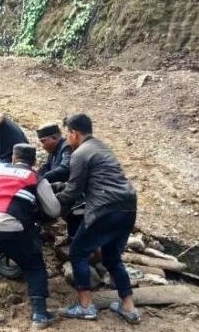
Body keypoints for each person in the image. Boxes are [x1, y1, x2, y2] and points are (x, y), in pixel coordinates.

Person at [0, 144, 59, 328]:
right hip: (9, 224)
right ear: (34, 162)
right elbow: (54, 210)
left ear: (13, 158)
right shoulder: (36, 178)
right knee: (34, 265)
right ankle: (39, 314)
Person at [55, 114, 140, 324]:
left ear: (74, 133)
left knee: (77, 252)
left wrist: (52, 203)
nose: (67, 140)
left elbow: (73, 191)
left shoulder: (80, 153)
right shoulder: (102, 147)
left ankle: (85, 306)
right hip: (128, 207)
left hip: (105, 208)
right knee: (112, 257)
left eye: (67, 134)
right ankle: (129, 307)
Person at [36, 122, 83, 244]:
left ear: (54, 138)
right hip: (64, 189)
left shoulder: (67, 147)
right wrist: (35, 176)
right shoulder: (54, 150)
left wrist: (42, 179)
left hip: (77, 193)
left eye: (43, 141)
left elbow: (65, 168)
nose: (43, 146)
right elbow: (46, 167)